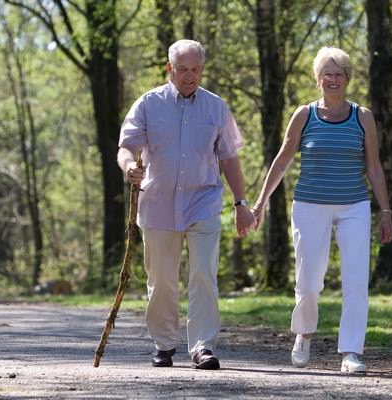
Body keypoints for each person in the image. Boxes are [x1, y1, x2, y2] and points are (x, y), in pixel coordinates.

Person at [252, 47, 392, 373]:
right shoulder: (304, 115)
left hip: (354, 205)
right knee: (309, 280)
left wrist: (385, 211)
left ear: (347, 79)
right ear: (318, 79)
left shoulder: (363, 116)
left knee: (356, 279)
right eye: (327, 74)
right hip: (309, 204)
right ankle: (303, 332)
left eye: (339, 74)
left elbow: (373, 167)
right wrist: (261, 202)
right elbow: (283, 159)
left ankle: (351, 352)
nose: (333, 79)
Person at [117, 39, 256, 370]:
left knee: (203, 275)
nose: (190, 76)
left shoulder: (216, 108)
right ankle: (164, 344)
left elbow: (230, 159)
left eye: (195, 70)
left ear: (202, 70)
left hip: (203, 201)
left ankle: (203, 346)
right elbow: (126, 147)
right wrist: (128, 167)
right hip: (158, 204)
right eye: (183, 70)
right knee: (162, 279)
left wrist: (241, 203)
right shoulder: (148, 104)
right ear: (170, 69)